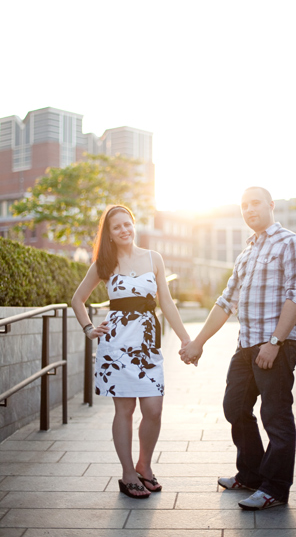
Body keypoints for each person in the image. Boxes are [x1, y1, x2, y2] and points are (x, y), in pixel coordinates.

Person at [179, 186, 296, 511]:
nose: (250, 210)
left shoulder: (290, 242)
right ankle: (251, 475)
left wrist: (275, 342)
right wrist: (198, 342)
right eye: (244, 206)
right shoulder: (247, 252)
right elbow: (225, 303)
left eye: (255, 203)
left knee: (275, 416)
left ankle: (275, 489)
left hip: (276, 343)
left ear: (270, 205)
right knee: (235, 407)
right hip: (247, 344)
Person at [72, 204, 192, 499]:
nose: (124, 229)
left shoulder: (154, 258)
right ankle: (128, 474)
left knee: (154, 409)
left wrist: (186, 339)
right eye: (117, 227)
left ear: (134, 225)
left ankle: (144, 465)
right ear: (109, 234)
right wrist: (89, 329)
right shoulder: (104, 263)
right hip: (116, 347)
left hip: (148, 345)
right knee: (124, 410)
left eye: (128, 224)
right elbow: (77, 299)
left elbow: (166, 302)